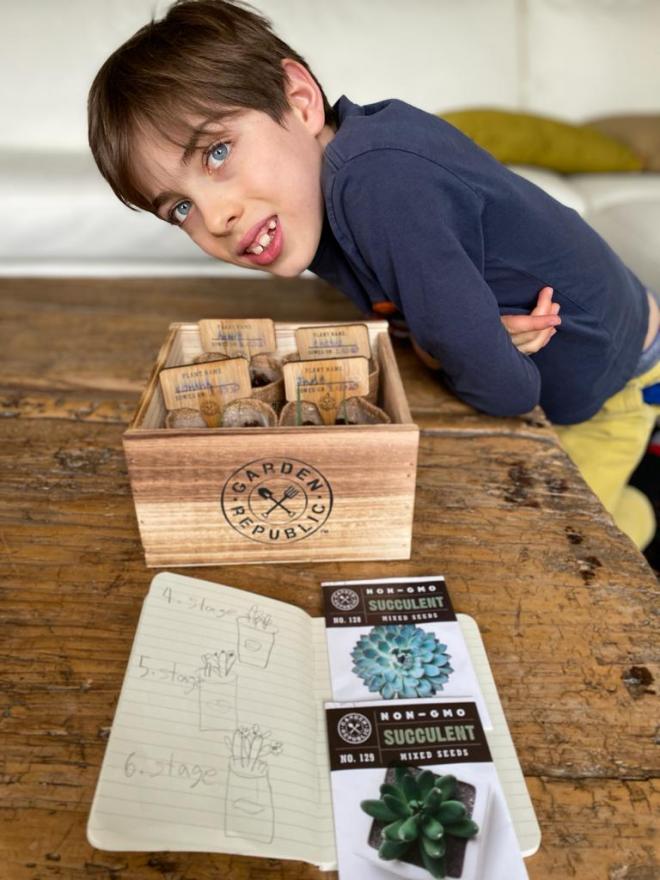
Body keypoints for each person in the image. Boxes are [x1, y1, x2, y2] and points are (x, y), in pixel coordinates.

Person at [87, 0, 660, 549]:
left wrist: (463, 344)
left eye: (216, 153)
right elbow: (427, 328)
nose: (215, 218)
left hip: (610, 383)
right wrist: (453, 341)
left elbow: (509, 389)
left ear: (301, 100)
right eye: (179, 209)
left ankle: (637, 516)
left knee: (562, 540)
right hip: (574, 356)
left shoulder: (377, 181)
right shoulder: (314, 198)